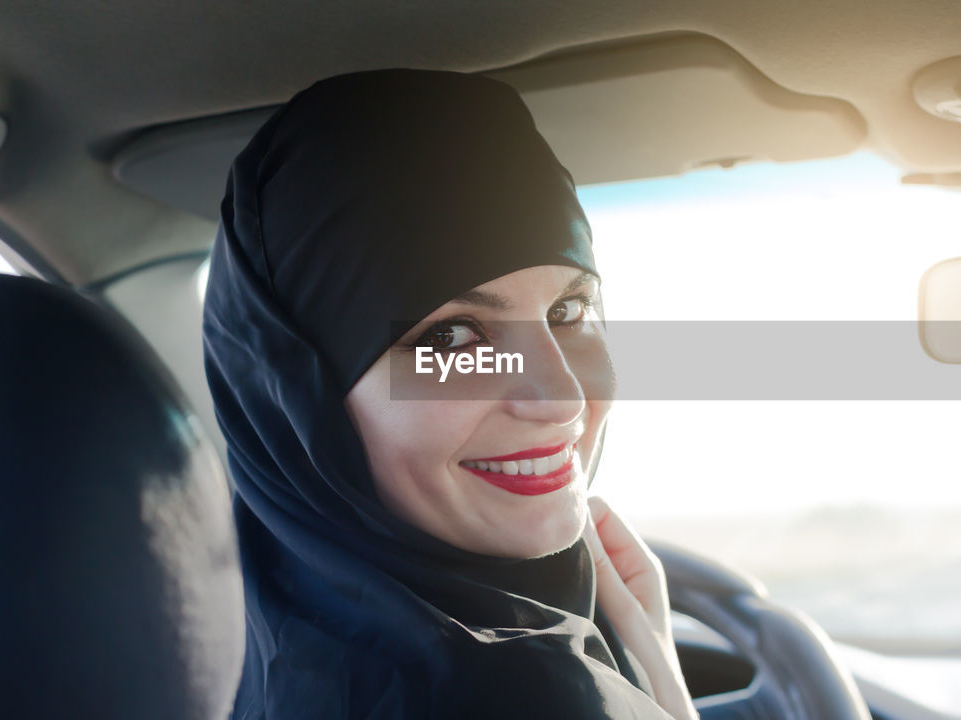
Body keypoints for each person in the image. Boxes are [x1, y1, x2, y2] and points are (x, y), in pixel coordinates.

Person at [202, 69, 697, 719]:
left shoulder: (228, 636)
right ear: (298, 398)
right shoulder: (530, 697)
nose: (563, 399)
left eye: (570, 311)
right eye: (453, 337)